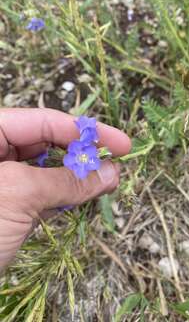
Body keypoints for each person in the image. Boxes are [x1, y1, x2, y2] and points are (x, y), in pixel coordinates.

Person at [0, 108, 131, 272]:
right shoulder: (73, 154)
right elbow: (74, 162)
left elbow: (87, 158)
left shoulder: (82, 151)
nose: (83, 158)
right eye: (81, 157)